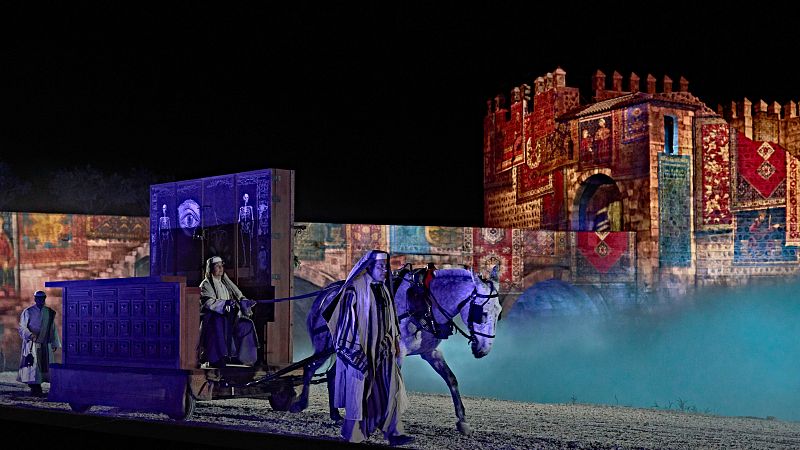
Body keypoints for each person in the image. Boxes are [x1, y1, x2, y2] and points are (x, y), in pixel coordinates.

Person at [323, 249, 413, 446]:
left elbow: (391, 319)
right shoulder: (354, 289)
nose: (384, 271)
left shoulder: (383, 289)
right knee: (358, 393)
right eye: (380, 267)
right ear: (368, 267)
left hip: (383, 351)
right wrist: (355, 352)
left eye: (386, 267)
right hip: (361, 351)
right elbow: (346, 325)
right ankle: (352, 433)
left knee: (391, 389)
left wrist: (395, 341)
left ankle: (394, 432)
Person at [198, 256, 258, 367]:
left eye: (221, 265)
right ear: (211, 269)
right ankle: (221, 357)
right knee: (219, 322)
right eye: (217, 266)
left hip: (231, 318)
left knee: (247, 325)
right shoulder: (206, 284)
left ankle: (245, 358)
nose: (221, 268)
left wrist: (245, 303)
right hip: (214, 319)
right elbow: (208, 303)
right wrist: (225, 304)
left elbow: (237, 296)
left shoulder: (226, 283)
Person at [17, 290, 61, 397]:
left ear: (44, 299)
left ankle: (39, 387)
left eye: (42, 298)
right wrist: (30, 335)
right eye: (38, 298)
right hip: (32, 343)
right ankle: (35, 388)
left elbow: (52, 328)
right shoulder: (28, 311)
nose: (40, 300)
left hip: (45, 343)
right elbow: (22, 327)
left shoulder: (49, 312)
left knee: (44, 367)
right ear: (35, 299)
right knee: (33, 367)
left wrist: (54, 343)